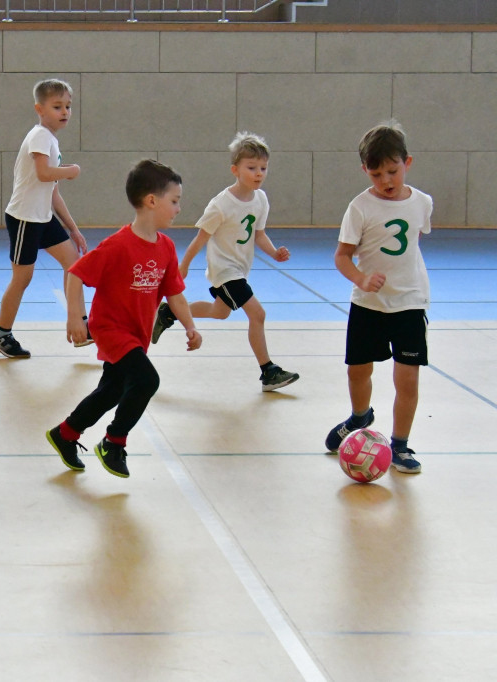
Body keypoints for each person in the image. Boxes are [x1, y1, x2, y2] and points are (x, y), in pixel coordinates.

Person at [46, 160, 202, 478]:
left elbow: (175, 294)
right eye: (174, 201)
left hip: (137, 333)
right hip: (110, 328)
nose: (178, 208)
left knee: (112, 390)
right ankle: (114, 441)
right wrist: (76, 317)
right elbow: (76, 273)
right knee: (147, 381)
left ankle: (65, 433)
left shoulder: (167, 248)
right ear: (151, 201)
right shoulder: (117, 245)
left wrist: (190, 325)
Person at [150, 131, 299, 392]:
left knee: (220, 312)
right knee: (258, 314)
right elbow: (200, 238)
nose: (258, 173)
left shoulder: (261, 199)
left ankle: (170, 312)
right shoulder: (221, 204)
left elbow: (259, 234)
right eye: (251, 168)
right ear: (235, 170)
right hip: (225, 270)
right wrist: (182, 267)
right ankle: (268, 371)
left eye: (263, 168)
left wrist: (274, 253)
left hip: (240, 268)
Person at [325, 122, 432, 474]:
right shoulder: (359, 208)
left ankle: (400, 444)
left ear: (408, 163)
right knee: (358, 371)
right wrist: (361, 277)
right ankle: (360, 417)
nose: (386, 180)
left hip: (410, 304)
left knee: (408, 380)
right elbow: (342, 256)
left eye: (392, 171)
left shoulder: (422, 203)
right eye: (376, 174)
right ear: (364, 171)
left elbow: (414, 244)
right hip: (368, 305)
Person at [0, 78, 88, 359]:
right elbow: (45, 173)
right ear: (39, 109)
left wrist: (73, 229)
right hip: (24, 218)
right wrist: (71, 170)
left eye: (68, 106)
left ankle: (79, 325)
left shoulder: (51, 139)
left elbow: (52, 191)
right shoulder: (40, 136)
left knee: (74, 264)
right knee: (22, 278)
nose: (65, 111)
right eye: (57, 106)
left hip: (42, 217)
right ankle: (0, 335)